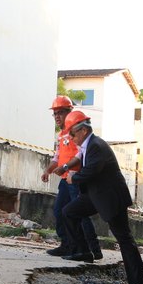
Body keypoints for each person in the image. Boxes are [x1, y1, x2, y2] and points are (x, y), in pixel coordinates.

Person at [56, 111, 143, 284]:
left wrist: (73, 177)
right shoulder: (87, 145)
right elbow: (80, 160)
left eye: (73, 134)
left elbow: (91, 171)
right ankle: (82, 251)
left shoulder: (96, 146)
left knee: (124, 239)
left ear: (83, 130)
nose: (71, 138)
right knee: (69, 212)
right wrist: (67, 167)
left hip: (110, 198)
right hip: (95, 194)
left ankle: (140, 283)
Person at [41, 96, 102, 260]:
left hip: (76, 179)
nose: (58, 116)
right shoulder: (61, 135)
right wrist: (48, 170)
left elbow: (80, 153)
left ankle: (92, 248)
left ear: (70, 112)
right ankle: (67, 244)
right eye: (55, 114)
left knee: (79, 213)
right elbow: (57, 156)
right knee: (60, 211)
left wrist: (66, 167)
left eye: (61, 112)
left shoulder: (76, 132)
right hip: (65, 180)